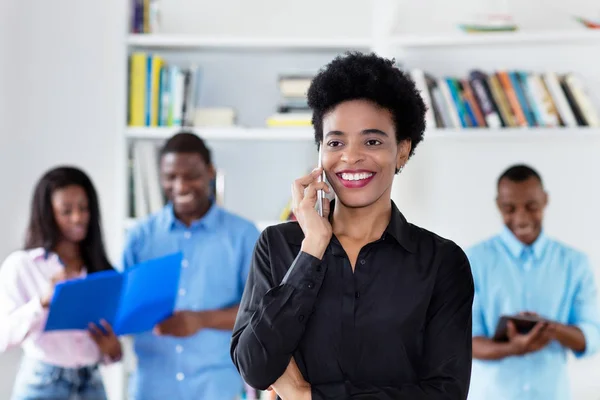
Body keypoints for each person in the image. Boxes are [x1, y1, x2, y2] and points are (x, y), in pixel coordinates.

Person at [231, 52, 475, 400]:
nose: (350, 156)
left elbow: (445, 393)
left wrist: (305, 395)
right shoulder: (279, 245)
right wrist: (311, 249)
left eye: (372, 141)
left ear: (402, 151)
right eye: (335, 142)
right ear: (320, 153)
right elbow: (255, 367)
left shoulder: (441, 262)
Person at [122, 132, 261, 400]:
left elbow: (259, 312)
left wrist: (201, 320)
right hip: (151, 389)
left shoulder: (243, 235)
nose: (180, 186)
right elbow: (121, 309)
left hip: (216, 388)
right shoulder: (140, 237)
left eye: (191, 176)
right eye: (171, 177)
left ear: (210, 173)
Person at [467, 164, 600, 400]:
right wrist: (513, 348)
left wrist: (551, 328)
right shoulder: (472, 261)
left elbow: (591, 337)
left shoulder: (575, 263)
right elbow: (466, 341)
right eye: (509, 208)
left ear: (545, 200)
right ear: (498, 205)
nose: (521, 218)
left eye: (531, 207)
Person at [0, 166, 122, 400]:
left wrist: (112, 351)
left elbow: (110, 346)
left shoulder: (101, 268)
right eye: (66, 211)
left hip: (91, 384)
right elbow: (4, 337)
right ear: (47, 214)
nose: (77, 218)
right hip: (43, 383)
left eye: (84, 208)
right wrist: (43, 302)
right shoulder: (23, 265)